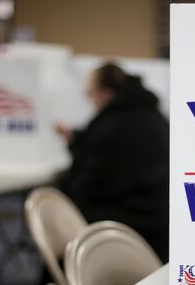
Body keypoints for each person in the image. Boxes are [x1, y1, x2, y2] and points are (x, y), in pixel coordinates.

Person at [56, 63, 169, 261]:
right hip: (157, 216)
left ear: (106, 94)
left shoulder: (114, 126)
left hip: (132, 220)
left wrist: (62, 192)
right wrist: (77, 139)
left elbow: (93, 183)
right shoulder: (152, 115)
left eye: (90, 93)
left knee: (62, 210)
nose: (91, 100)